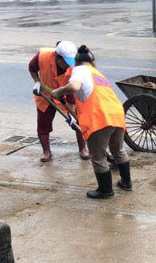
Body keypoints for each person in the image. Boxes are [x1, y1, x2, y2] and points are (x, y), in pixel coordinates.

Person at [51, 45, 131, 199]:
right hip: (116, 114)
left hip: (99, 117)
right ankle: (126, 183)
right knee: (118, 150)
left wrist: (57, 92)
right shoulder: (97, 73)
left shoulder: (79, 70)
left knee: (98, 156)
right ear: (93, 61)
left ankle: (105, 190)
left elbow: (74, 86)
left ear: (77, 62)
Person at [28, 41, 89, 162]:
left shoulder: (75, 66)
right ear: (57, 57)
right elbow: (32, 67)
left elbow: (72, 93)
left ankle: (83, 149)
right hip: (46, 96)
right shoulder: (43, 56)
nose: (68, 66)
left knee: (78, 121)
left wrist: (71, 113)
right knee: (43, 124)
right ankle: (46, 152)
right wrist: (37, 81)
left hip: (67, 96)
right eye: (65, 62)